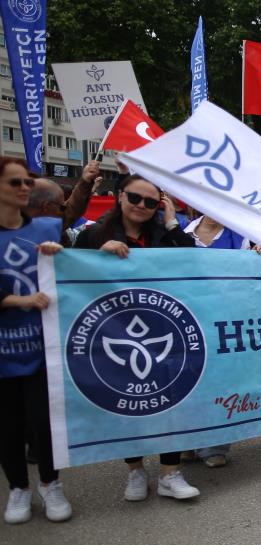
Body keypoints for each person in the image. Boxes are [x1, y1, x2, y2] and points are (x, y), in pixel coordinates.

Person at [73, 175, 202, 501]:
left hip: (165, 331)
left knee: (174, 402)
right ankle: (135, 470)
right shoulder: (94, 234)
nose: (142, 206)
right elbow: (71, 271)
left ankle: (170, 473)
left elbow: (196, 261)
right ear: (120, 196)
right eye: (135, 198)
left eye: (152, 202)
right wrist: (97, 256)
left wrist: (173, 223)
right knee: (127, 403)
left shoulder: (164, 235)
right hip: (114, 335)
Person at [0, 157, 72, 524]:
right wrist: (19, 301)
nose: (25, 187)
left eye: (27, 181)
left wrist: (62, 258)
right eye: (15, 183)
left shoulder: (46, 227)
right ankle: (18, 489)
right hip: (3, 354)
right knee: (8, 426)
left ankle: (50, 483)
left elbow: (73, 270)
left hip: (42, 351)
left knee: (44, 423)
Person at [184, 214, 261, 466]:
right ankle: (187, 442)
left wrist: (258, 256)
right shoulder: (182, 233)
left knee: (220, 380)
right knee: (189, 381)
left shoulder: (238, 235)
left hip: (224, 319)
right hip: (189, 317)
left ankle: (215, 446)